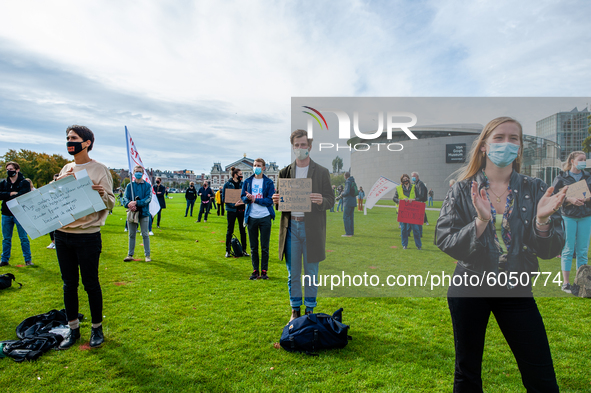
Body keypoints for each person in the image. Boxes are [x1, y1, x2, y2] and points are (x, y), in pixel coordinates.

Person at [435, 117, 566, 392]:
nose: (506, 144)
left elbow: (550, 250)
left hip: (516, 291)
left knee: (541, 375)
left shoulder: (536, 188)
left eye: (513, 138)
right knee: (467, 373)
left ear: (519, 148)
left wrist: (542, 221)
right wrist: (481, 222)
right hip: (469, 288)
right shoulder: (461, 188)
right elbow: (445, 239)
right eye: (499, 138)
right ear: (484, 146)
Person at [55, 125, 115, 349]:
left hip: (88, 236)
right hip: (63, 235)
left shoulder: (99, 169)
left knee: (91, 283)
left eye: (74, 138)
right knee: (68, 284)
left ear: (87, 142)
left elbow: (110, 202)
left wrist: (99, 192)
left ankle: (97, 328)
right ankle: (73, 330)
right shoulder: (66, 167)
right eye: (68, 137)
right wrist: (58, 184)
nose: (70, 141)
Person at [273, 129, 334, 321]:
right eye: (297, 145)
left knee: (311, 273)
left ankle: (310, 309)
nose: (300, 148)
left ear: (309, 147)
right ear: (293, 147)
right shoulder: (284, 172)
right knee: (293, 274)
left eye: (303, 145)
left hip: (312, 230)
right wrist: (276, 199)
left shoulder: (322, 172)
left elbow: (331, 200)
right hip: (291, 228)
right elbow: (279, 203)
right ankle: (294, 309)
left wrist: (321, 201)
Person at [551, 150, 591, 294]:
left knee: (582, 252)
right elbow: (554, 196)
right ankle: (566, 283)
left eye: (585, 159)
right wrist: (569, 199)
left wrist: (585, 199)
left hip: (586, 216)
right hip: (568, 216)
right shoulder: (561, 178)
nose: (584, 162)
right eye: (581, 159)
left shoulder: (588, 176)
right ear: (572, 161)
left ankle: (581, 282)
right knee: (567, 250)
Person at [242, 158, 275, 280]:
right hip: (251, 217)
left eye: (259, 165)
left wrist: (255, 200)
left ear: (263, 168)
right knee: (253, 246)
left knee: (265, 246)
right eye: (255, 165)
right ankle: (255, 270)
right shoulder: (247, 181)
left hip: (265, 216)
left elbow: (269, 200)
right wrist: (247, 198)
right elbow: (242, 197)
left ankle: (264, 271)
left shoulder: (268, 183)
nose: (256, 167)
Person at [0, 161, 32, 266]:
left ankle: (28, 260)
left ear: (17, 170)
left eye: (11, 169)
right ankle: (4, 260)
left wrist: (8, 196)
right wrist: (10, 193)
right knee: (6, 239)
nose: (9, 171)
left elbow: (23, 196)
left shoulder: (24, 183)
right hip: (6, 213)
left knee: (23, 238)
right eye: (7, 170)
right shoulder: (3, 183)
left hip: (19, 214)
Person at [122, 165, 152, 262]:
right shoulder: (129, 185)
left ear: (143, 173)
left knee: (145, 234)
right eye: (136, 171)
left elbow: (148, 198)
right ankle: (130, 254)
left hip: (144, 212)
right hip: (132, 212)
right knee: (131, 234)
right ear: (133, 173)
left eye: (140, 171)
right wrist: (129, 204)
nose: (138, 173)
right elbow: (125, 198)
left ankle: (147, 255)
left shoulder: (147, 186)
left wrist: (137, 203)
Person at [223, 167, 248, 258]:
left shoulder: (243, 184)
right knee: (230, 230)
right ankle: (228, 250)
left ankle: (244, 250)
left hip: (241, 210)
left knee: (243, 230)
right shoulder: (227, 185)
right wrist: (234, 205)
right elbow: (224, 199)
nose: (241, 175)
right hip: (232, 210)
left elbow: (245, 196)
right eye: (240, 174)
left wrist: (244, 200)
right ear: (235, 175)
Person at [393, 174, 421, 250]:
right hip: (403, 212)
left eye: (406, 178)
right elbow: (394, 198)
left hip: (412, 211)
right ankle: (404, 245)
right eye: (404, 179)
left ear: (409, 179)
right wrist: (401, 201)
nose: (405, 180)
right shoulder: (399, 188)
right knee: (403, 229)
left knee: (415, 229)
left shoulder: (414, 187)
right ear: (402, 181)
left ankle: (418, 245)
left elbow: (419, 197)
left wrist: (414, 200)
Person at [47, 173, 60, 249]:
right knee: (51, 226)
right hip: (51, 209)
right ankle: (53, 242)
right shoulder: (50, 188)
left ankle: (57, 242)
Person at [342, 172, 356, 237]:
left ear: (345, 176)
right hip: (353, 201)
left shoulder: (348, 182)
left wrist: (342, 194)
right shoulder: (353, 181)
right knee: (351, 217)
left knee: (346, 217)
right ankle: (351, 232)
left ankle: (348, 233)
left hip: (348, 201)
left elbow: (347, 192)